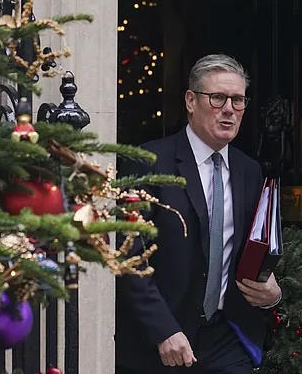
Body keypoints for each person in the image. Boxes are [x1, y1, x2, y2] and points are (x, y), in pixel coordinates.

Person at [116, 54, 282, 374]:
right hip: (159, 342)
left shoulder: (249, 170)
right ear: (191, 101)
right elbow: (128, 255)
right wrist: (162, 329)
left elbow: (257, 245)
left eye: (238, 100)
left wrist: (271, 290)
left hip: (226, 337)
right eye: (218, 98)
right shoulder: (148, 162)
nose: (229, 109)